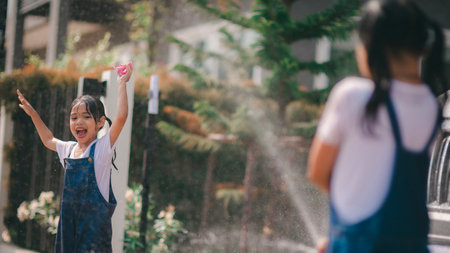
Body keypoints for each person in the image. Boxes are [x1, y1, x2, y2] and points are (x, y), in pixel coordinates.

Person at [307, 0, 448, 252]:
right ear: (421, 49)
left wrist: (347, 233)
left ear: (370, 45)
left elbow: (318, 171)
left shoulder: (354, 96)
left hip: (360, 242)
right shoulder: (430, 106)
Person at [17, 64, 132, 252]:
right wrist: (33, 114)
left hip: (94, 235)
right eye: (74, 117)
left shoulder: (102, 149)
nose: (78, 121)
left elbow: (121, 116)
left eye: (85, 116)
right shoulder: (69, 150)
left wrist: (121, 83)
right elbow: (48, 139)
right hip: (68, 230)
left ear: (100, 122)